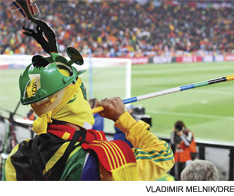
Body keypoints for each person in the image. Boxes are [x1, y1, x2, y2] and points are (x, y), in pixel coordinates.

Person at [1, 10, 174, 180]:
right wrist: (122, 117)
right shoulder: (105, 159)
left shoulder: (17, 157)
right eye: (79, 88)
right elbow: (163, 156)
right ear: (74, 98)